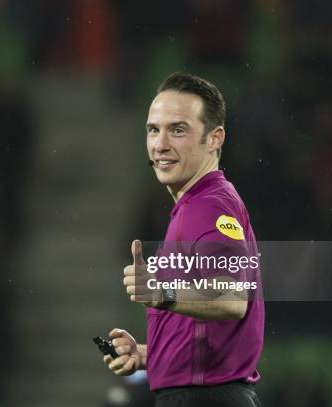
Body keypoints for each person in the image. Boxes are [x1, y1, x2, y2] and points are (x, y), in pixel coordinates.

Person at [103, 72, 264, 407]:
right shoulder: (193, 207)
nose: (160, 144)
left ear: (215, 138)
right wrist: (149, 354)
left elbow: (232, 298)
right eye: (153, 129)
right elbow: (202, 329)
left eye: (178, 130)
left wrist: (161, 292)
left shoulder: (209, 207)